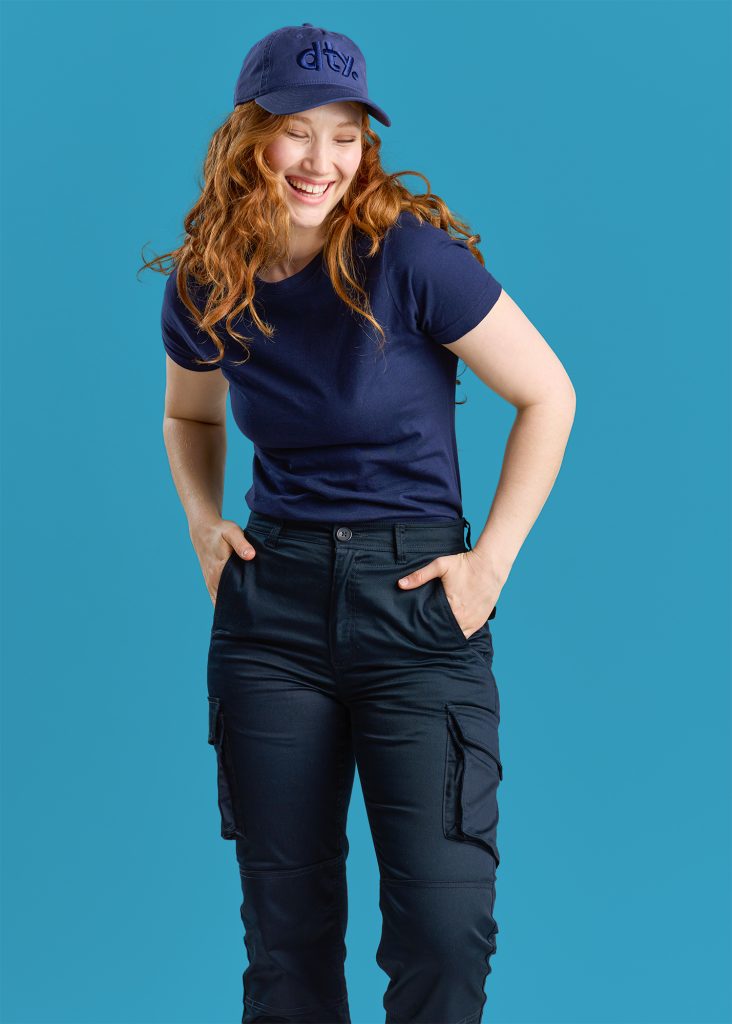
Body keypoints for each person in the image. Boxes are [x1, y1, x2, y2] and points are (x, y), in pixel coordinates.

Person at [145, 22, 576, 1024]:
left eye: (344, 134)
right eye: (298, 131)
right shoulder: (209, 279)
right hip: (273, 619)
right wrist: (204, 522)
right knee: (286, 943)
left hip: (419, 613)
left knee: (443, 927)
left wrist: (491, 565)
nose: (322, 160)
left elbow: (549, 395)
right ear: (250, 137)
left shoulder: (413, 260)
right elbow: (187, 412)